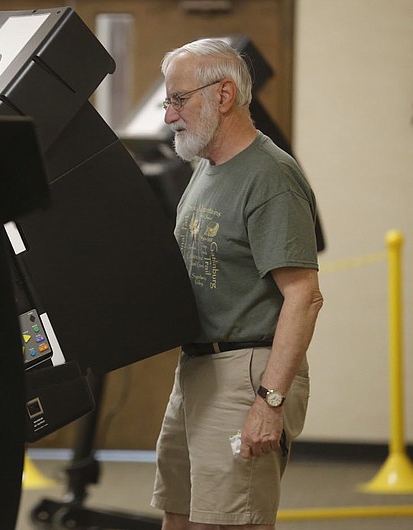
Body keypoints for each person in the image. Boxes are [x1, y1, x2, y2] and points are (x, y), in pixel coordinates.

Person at [150, 38, 324, 530]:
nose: (169, 116)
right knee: (179, 517)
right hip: (198, 369)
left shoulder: (271, 178)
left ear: (224, 95)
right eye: (169, 101)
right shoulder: (206, 167)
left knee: (227, 523)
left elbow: (304, 296)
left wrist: (269, 402)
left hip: (246, 373)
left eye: (179, 100)